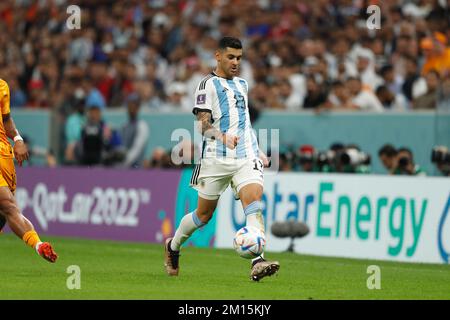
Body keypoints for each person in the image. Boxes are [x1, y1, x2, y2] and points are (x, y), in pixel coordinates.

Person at [164, 37, 280, 281]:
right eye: (231, 57)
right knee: (203, 216)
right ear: (218, 56)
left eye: (239, 57)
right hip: (215, 158)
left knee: (254, 200)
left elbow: (244, 122)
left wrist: (256, 149)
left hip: (245, 155)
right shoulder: (206, 85)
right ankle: (173, 246)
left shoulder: (243, 85)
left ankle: (257, 261)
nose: (236, 62)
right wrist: (221, 136)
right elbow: (202, 125)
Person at [0, 79, 57, 262]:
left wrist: (17, 139)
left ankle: (38, 244)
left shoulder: (2, 87)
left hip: (3, 156)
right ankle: (39, 245)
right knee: (7, 204)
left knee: (5, 213)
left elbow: (6, 119)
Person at [120, 93, 149, 168]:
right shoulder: (124, 126)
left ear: (138, 108)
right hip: (124, 169)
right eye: (129, 105)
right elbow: (122, 146)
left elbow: (137, 148)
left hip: (136, 170)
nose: (131, 108)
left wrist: (123, 163)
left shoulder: (142, 125)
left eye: (134, 106)